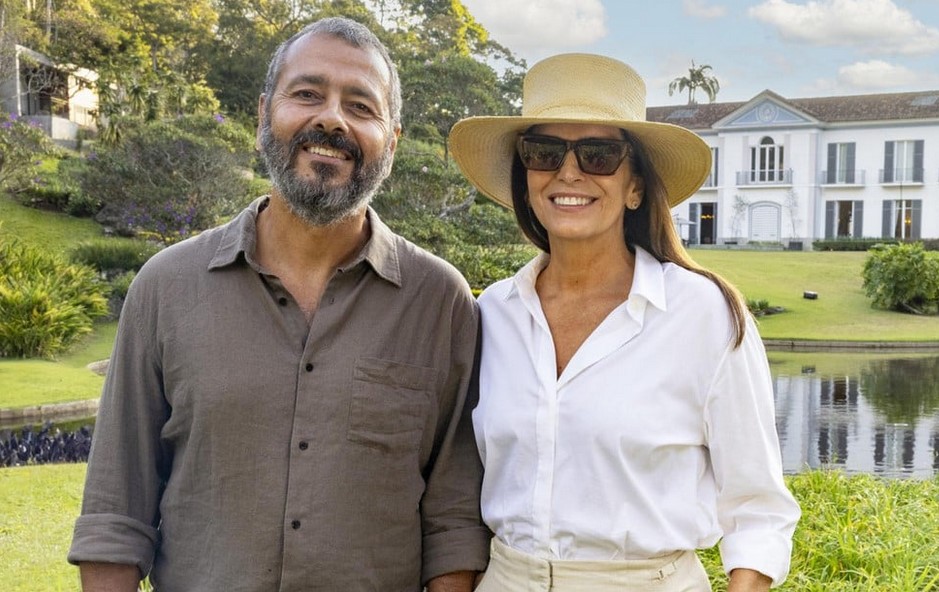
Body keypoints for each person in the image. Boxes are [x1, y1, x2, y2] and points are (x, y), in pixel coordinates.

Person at [68, 17, 490, 592]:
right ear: (264, 113)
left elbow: (453, 528)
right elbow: (116, 517)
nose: (332, 119)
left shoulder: (440, 303)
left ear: (390, 139)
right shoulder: (166, 288)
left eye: (361, 106)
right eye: (308, 94)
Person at [448, 53, 800, 591]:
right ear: (526, 179)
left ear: (635, 185)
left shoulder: (703, 315)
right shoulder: (491, 313)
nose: (568, 172)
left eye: (599, 154)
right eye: (543, 152)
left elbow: (758, 509)